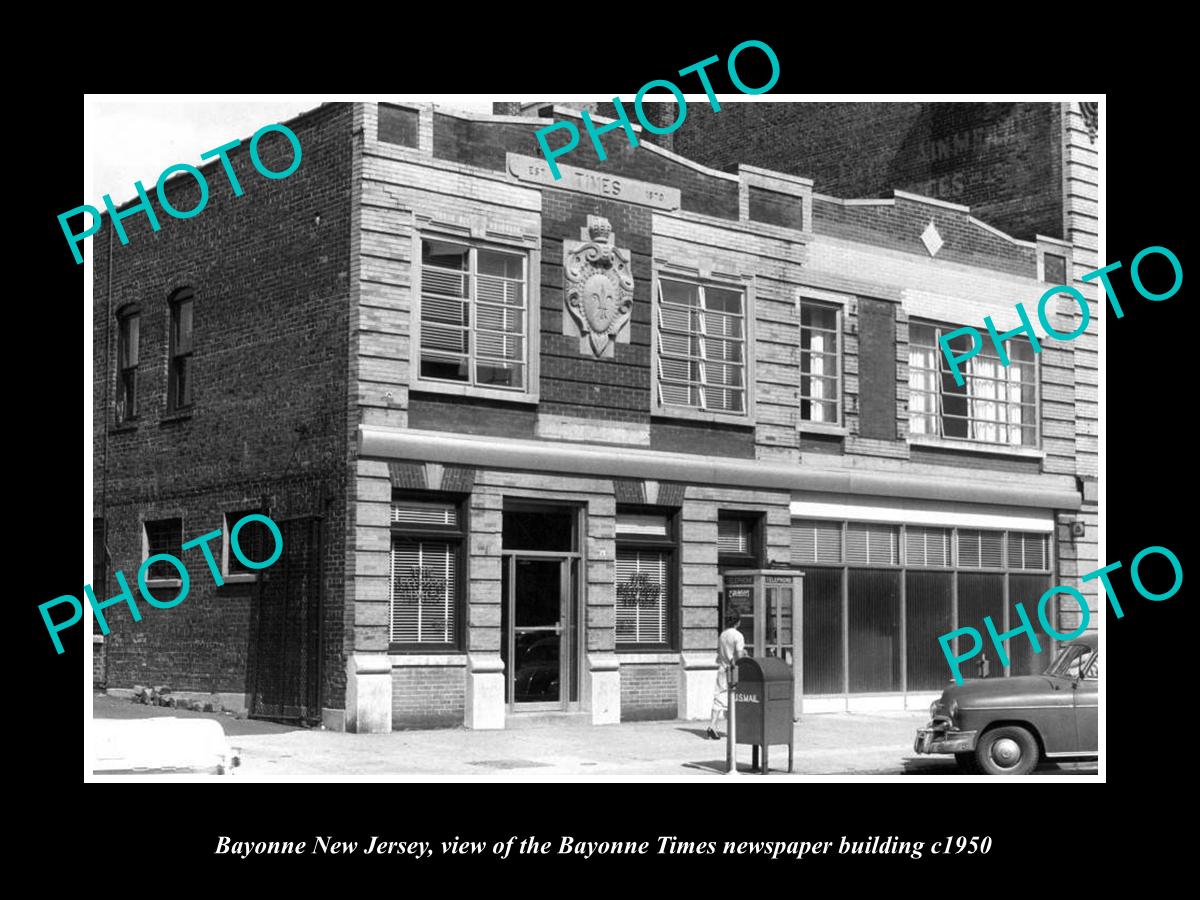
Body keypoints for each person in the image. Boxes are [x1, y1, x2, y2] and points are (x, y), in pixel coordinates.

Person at [707, 611, 746, 740]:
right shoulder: (738, 636)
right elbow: (739, 656)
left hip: (722, 668)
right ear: (738, 622)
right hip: (733, 669)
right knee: (733, 698)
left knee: (719, 696)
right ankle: (729, 728)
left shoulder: (722, 634)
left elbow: (720, 652)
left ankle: (713, 726)